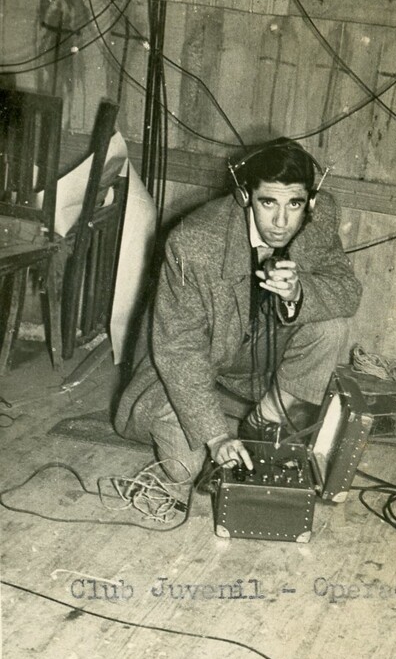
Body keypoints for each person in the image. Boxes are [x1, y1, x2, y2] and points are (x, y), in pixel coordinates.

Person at [114, 138, 362, 501]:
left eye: (294, 204)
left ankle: (266, 420)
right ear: (245, 196)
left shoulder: (319, 218)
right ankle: (215, 424)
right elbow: (180, 350)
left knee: (331, 325)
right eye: (268, 203)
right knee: (188, 468)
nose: (281, 222)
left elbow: (347, 290)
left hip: (247, 362)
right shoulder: (194, 242)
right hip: (181, 369)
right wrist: (216, 436)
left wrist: (299, 293)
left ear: (309, 202)